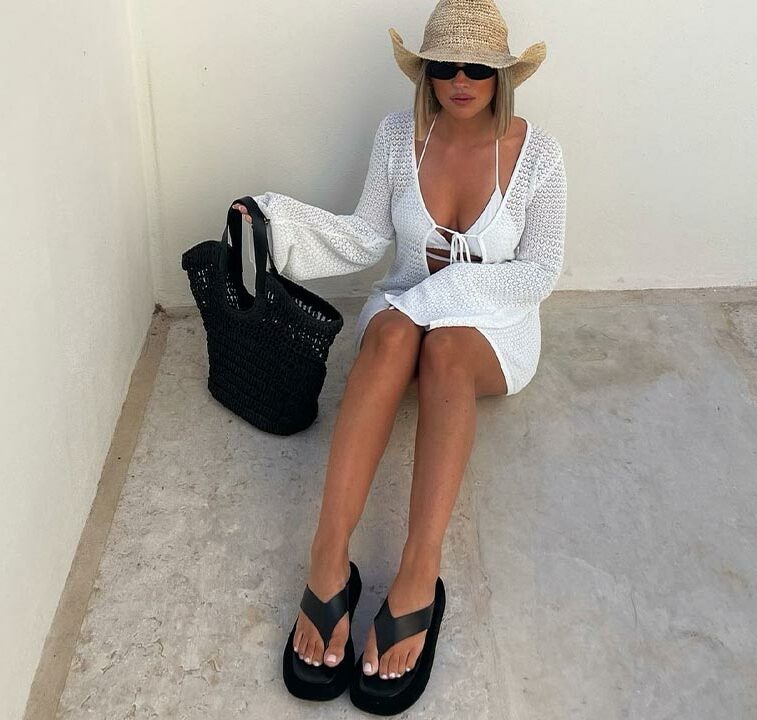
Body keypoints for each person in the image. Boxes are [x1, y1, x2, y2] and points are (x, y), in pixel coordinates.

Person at [232, 0, 565, 713]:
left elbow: (538, 274)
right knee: (389, 335)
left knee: (442, 349)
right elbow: (364, 237)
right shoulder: (397, 136)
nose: (460, 80)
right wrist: (273, 218)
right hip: (404, 306)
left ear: (503, 75)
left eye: (478, 67)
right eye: (445, 65)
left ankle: (419, 571)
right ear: (427, 72)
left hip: (493, 324)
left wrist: (433, 301)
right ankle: (328, 561)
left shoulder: (539, 155)